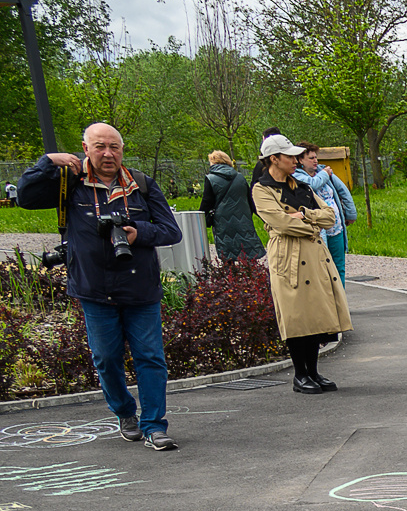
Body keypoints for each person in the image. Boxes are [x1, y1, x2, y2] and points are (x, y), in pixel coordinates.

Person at [14, 122, 185, 449]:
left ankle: (154, 426)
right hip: (94, 288)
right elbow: (24, 196)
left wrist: (138, 233)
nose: (108, 153)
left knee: (150, 357)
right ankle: (124, 411)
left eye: (114, 147)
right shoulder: (71, 183)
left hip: (140, 289)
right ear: (85, 148)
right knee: (106, 358)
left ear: (122, 149)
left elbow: (171, 231)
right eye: (99, 146)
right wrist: (48, 161)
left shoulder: (142, 185)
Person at [251, 133, 350, 395]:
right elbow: (280, 222)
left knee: (315, 313)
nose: (295, 160)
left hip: (314, 254)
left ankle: (314, 372)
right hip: (288, 256)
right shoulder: (262, 189)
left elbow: (330, 216)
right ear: (274, 158)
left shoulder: (302, 187)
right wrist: (306, 222)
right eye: (290, 156)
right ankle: (300, 375)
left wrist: (303, 214)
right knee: (296, 315)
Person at [298, 144, 359, 284]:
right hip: (319, 230)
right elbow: (312, 184)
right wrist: (325, 174)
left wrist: (350, 214)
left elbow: (343, 191)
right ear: (300, 160)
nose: (315, 161)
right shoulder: (297, 176)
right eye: (311, 158)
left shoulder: (323, 171)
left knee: (339, 267)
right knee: (323, 269)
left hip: (336, 228)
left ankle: (341, 300)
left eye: (316, 157)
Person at [199, 150, 263, 265]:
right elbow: (249, 199)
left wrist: (200, 217)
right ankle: (252, 276)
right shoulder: (240, 177)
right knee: (247, 250)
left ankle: (230, 278)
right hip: (243, 219)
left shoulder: (211, 179)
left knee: (227, 253)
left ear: (213, 163)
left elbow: (207, 202)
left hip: (223, 221)